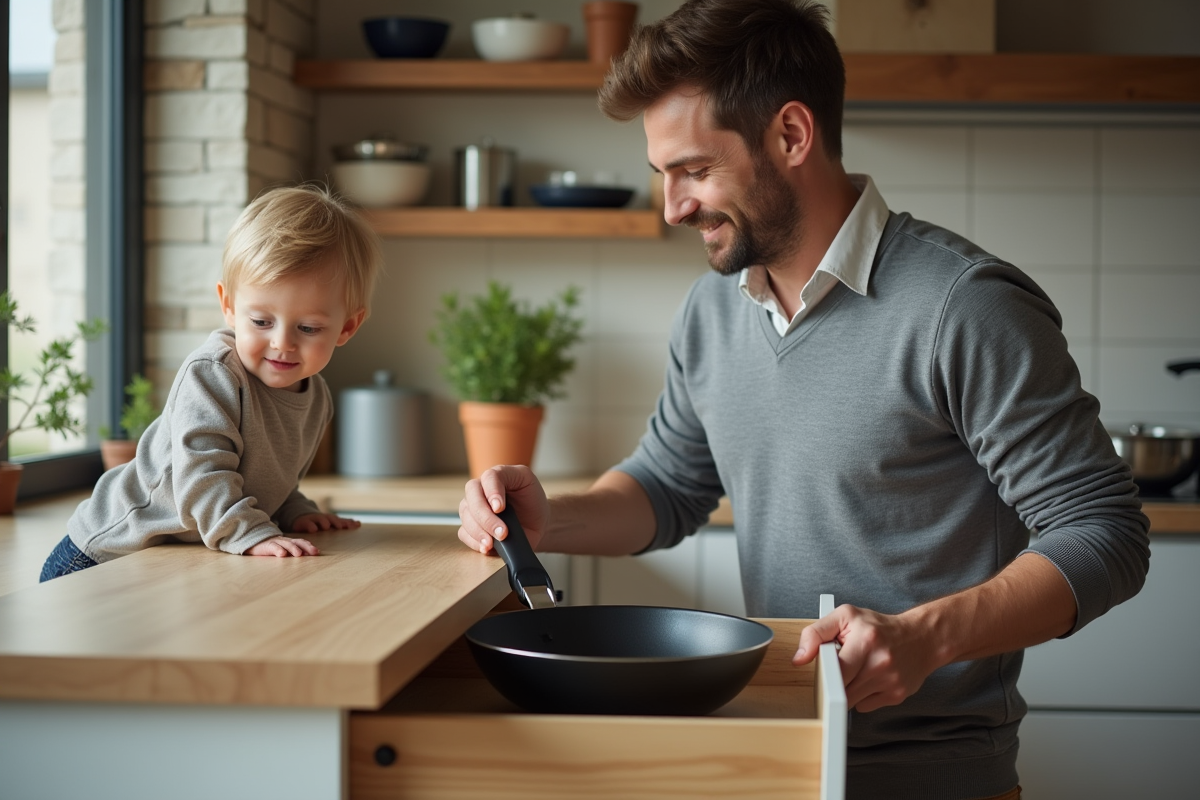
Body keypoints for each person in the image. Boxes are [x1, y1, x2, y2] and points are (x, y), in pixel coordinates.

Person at [456, 2, 1150, 798]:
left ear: (791, 134)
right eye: (662, 175)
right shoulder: (713, 310)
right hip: (775, 759)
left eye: (694, 170)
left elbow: (1105, 532)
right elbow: (668, 487)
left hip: (934, 779)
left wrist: (924, 638)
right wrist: (551, 518)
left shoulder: (964, 307)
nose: (673, 207)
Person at [40, 184, 382, 582]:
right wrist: (247, 531)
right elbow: (203, 477)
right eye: (261, 321)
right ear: (229, 307)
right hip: (107, 551)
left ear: (347, 327)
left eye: (308, 328)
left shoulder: (316, 397)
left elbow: (272, 479)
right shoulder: (213, 373)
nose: (282, 342)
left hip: (173, 557)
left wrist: (296, 510)